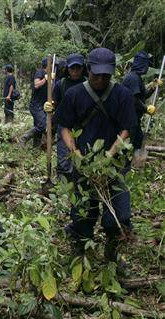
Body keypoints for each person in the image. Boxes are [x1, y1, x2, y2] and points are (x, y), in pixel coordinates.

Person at [55, 48, 137, 273]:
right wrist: (76, 154)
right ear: (88, 69)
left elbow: (127, 128)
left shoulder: (122, 95)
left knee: (119, 214)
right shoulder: (73, 94)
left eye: (106, 75)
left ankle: (112, 255)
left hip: (115, 166)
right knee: (83, 212)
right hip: (84, 165)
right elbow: (64, 126)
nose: (100, 79)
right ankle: (79, 253)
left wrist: (109, 156)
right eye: (96, 74)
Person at [46, 53, 86, 180]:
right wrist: (49, 105)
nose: (75, 71)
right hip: (64, 126)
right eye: (72, 68)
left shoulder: (88, 83)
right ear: (67, 69)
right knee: (63, 157)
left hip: (83, 126)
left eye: (78, 68)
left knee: (81, 156)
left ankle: (78, 183)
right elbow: (54, 101)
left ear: (82, 68)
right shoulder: (61, 84)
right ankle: (63, 185)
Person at [121, 51, 162, 164]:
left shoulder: (136, 77)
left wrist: (153, 87)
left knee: (138, 140)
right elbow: (133, 100)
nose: (148, 67)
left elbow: (142, 96)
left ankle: (135, 164)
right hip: (128, 119)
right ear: (142, 64)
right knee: (128, 144)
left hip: (133, 118)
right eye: (146, 65)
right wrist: (146, 109)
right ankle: (125, 167)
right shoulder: (133, 78)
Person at [20, 58, 48, 147]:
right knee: (43, 125)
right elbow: (36, 85)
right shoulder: (40, 72)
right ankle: (24, 137)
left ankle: (36, 147)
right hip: (36, 105)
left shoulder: (51, 75)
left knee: (38, 125)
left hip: (43, 106)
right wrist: (46, 79)